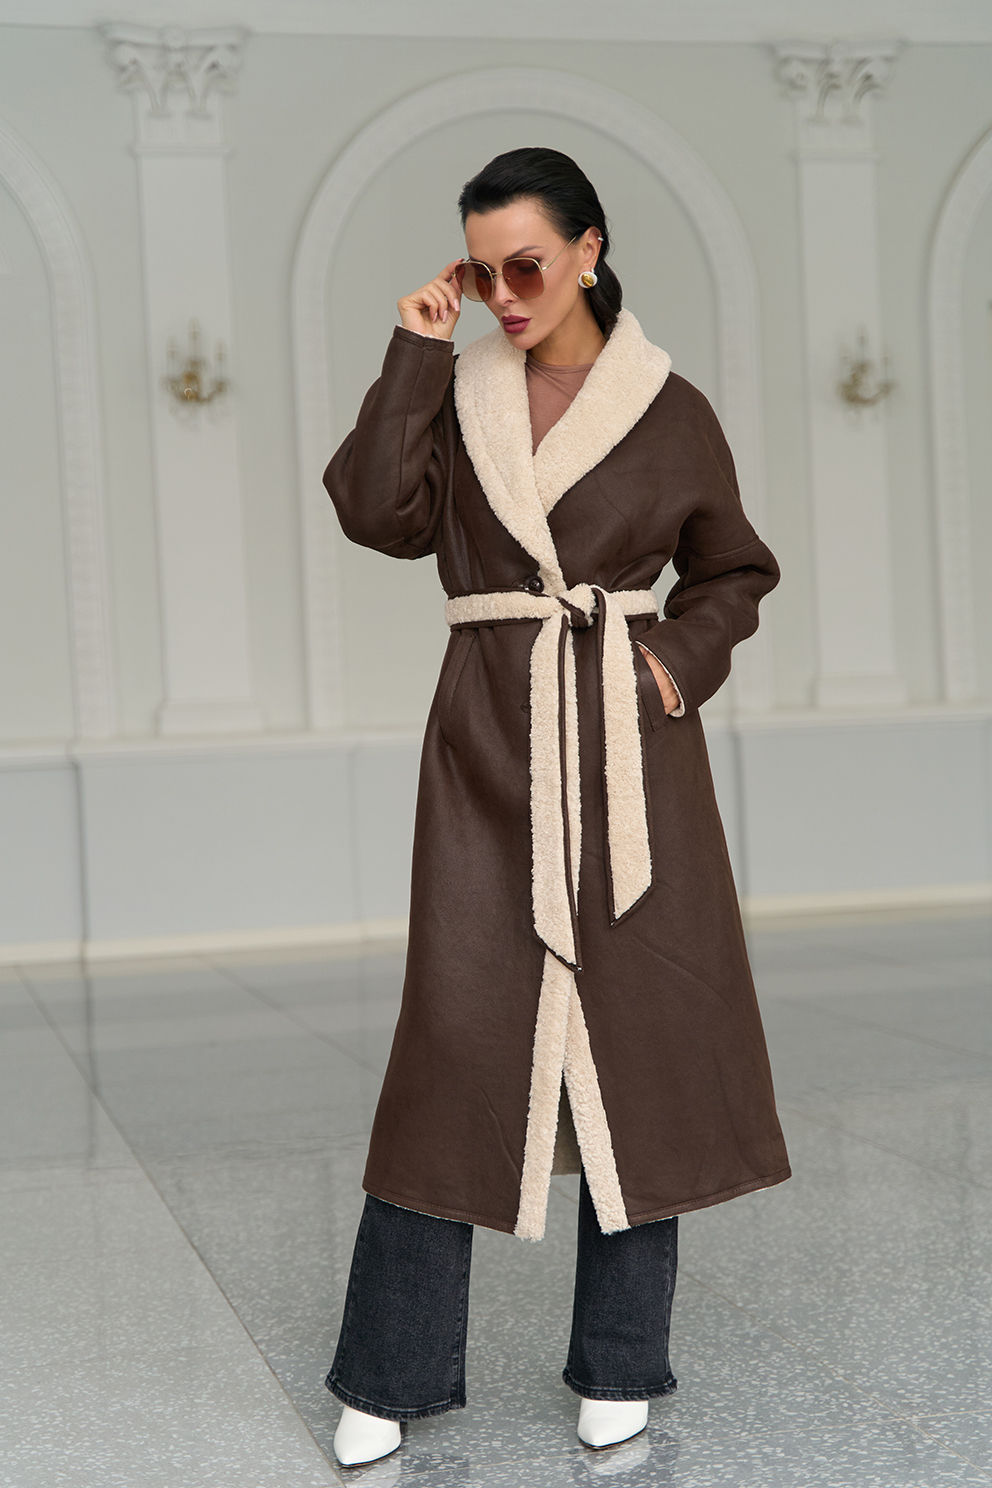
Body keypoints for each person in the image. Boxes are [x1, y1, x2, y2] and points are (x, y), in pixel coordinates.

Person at [322, 147, 791, 1468]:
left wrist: (667, 666)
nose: (506, 295)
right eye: (484, 272)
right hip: (487, 735)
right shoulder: (458, 387)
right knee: (455, 1040)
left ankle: (623, 1359)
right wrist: (417, 350)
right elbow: (374, 513)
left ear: (590, 249)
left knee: (639, 1037)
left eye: (526, 264)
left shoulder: (671, 409)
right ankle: (390, 1372)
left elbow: (734, 573)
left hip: (632, 751)